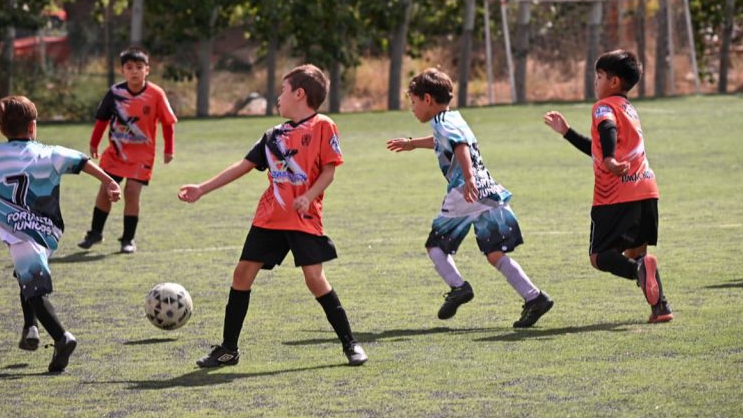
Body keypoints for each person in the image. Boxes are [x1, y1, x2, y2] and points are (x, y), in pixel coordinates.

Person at [179, 64, 368, 367]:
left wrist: (308, 196)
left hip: (303, 218)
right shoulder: (273, 136)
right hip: (269, 218)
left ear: (299, 93)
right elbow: (242, 166)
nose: (278, 97)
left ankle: (350, 343)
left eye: (283, 90)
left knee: (314, 279)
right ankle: (228, 349)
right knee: (242, 274)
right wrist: (202, 188)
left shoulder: (323, 126)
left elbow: (329, 171)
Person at [387, 68, 554, 328]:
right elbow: (444, 141)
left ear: (427, 99)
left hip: (465, 193)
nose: (413, 108)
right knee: (494, 253)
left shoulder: (442, 122)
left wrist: (468, 179)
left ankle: (459, 288)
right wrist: (412, 143)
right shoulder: (453, 118)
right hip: (487, 192)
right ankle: (535, 297)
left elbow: (460, 146)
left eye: (414, 102)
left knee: (435, 246)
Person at [0, 95, 122, 373]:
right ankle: (30, 327)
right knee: (24, 275)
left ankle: (62, 337)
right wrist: (109, 182)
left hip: (19, 231)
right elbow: (82, 161)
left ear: (1, 129)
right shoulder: (49, 153)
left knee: (33, 286)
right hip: (48, 232)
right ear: (32, 127)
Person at [544, 49, 673, 323]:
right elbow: (598, 148)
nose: (596, 81)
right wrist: (567, 133)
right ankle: (660, 308)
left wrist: (611, 159)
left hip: (615, 194)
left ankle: (639, 273)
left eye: (599, 76)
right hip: (646, 190)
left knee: (599, 256)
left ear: (614, 82)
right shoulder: (629, 109)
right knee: (637, 253)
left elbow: (607, 129)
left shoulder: (603, 107)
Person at [77, 47, 177, 254]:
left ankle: (128, 239)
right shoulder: (115, 93)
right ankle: (95, 233)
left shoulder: (156, 94)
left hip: (142, 155)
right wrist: (94, 143)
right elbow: (102, 119)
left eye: (139, 67)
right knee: (106, 190)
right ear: (122, 70)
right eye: (129, 67)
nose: (134, 71)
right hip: (116, 153)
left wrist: (169, 149)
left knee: (131, 192)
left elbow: (168, 123)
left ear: (147, 70)